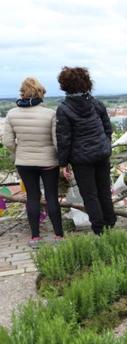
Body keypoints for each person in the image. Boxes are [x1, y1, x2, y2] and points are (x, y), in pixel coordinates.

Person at [3, 77, 64, 247]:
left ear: (22, 92)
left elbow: (7, 142)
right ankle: (59, 235)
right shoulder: (50, 114)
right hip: (48, 161)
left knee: (32, 197)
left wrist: (20, 151)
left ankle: (35, 237)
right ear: (40, 93)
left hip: (24, 162)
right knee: (52, 196)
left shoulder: (11, 114)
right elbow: (57, 142)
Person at [56, 66, 116, 235]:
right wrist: (105, 146)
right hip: (101, 154)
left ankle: (99, 229)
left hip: (81, 159)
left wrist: (63, 163)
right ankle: (110, 223)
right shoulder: (97, 104)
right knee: (104, 190)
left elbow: (64, 139)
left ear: (65, 85)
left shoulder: (64, 109)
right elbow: (107, 129)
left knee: (89, 194)